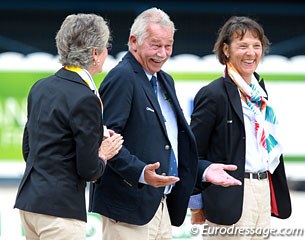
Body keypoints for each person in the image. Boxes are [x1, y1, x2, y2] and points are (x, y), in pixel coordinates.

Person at [89, 7, 241, 240]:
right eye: (155, 45)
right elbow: (106, 141)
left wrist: (204, 169)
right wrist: (141, 173)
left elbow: (172, 143)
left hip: (159, 204)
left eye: (168, 45)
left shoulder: (164, 79)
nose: (162, 53)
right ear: (133, 42)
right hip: (129, 208)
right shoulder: (122, 77)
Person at [14, 13, 123, 240]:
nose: (107, 52)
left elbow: (28, 149)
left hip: (29, 203)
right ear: (95, 53)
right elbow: (88, 169)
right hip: (60, 211)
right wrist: (103, 154)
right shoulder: (86, 97)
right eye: (106, 46)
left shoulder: (40, 87)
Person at [188, 16, 292, 238]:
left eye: (256, 46)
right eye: (242, 45)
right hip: (230, 194)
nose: (251, 53)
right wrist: (196, 203)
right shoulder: (213, 94)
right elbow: (193, 152)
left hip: (262, 189)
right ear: (226, 50)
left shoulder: (259, 93)